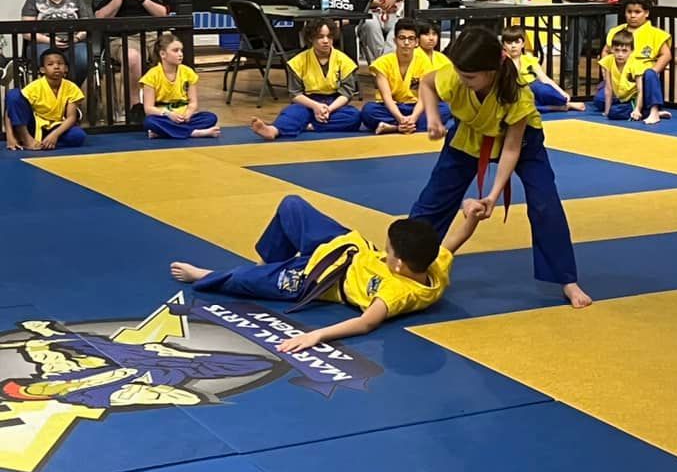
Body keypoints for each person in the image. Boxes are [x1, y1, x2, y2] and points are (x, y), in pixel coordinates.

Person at [408, 26, 593, 309]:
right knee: (434, 199)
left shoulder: (517, 94)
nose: (460, 79)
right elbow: (427, 84)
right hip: (469, 132)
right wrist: (433, 117)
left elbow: (511, 149)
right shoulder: (458, 74)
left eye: (469, 76)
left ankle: (567, 279)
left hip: (522, 143)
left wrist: (492, 196)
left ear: (491, 70)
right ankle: (409, 262)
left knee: (545, 204)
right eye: (459, 72)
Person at [170, 194, 484, 346]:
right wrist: (470, 213)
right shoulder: (433, 265)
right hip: (341, 244)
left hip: (318, 277)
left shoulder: (398, 291)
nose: (386, 253)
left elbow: (365, 323)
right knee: (292, 205)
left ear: (399, 264)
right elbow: (454, 240)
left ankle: (205, 274)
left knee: (241, 280)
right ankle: (270, 266)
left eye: (388, 251)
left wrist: (316, 336)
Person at [250, 18, 361, 139]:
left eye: (329, 37)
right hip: (307, 102)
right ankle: (273, 130)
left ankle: (308, 125)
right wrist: (316, 107)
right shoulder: (298, 61)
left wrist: (328, 109)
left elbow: (347, 93)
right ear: (310, 39)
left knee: (353, 117)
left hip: (334, 102)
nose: (325, 41)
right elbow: (295, 94)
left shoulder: (344, 60)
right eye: (320, 37)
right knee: (292, 112)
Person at [92, 0, 168, 119]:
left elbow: (162, 14)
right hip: (121, 38)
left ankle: (170, 102)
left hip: (150, 36)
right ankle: (134, 106)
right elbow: (99, 17)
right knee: (132, 57)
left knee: (172, 51)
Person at [360, 18, 453, 134]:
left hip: (416, 107)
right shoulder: (382, 63)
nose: (406, 43)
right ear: (395, 40)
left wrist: (413, 117)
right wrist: (400, 117)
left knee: (444, 109)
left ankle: (393, 127)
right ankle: (406, 126)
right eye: (402, 38)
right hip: (392, 107)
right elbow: (386, 97)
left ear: (416, 42)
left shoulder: (424, 63)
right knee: (368, 110)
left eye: (411, 39)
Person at [599, 0, 672, 123]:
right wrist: (606, 72)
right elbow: (606, 51)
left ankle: (652, 110)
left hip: (641, 78)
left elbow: (666, 55)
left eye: (637, 12)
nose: (633, 16)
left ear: (646, 13)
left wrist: (652, 73)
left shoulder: (656, 33)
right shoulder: (616, 31)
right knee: (599, 100)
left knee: (650, 75)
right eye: (629, 12)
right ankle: (639, 109)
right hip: (619, 79)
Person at [21, 0, 93, 85]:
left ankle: (70, 91)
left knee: (83, 58)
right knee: (50, 60)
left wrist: (76, 39)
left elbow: (86, 26)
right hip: (44, 42)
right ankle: (51, 95)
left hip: (74, 42)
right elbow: (26, 32)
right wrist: (51, 41)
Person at [140, 33, 220, 139]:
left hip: (184, 117)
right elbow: (148, 108)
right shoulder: (151, 75)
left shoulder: (188, 72)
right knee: (149, 122)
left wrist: (189, 113)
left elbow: (193, 102)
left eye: (181, 50)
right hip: (165, 117)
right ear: (163, 54)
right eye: (175, 50)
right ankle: (195, 133)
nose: (180, 54)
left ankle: (164, 132)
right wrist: (169, 114)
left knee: (211, 117)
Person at [4, 48, 85, 151]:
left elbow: (71, 117)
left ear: (66, 68)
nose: (56, 67)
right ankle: (26, 139)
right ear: (42, 70)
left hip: (55, 126)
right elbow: (11, 110)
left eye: (60, 64)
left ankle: (45, 143)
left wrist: (54, 135)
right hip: (33, 126)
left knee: (78, 136)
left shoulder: (71, 88)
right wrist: (10, 137)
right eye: (50, 64)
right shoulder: (36, 86)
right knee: (13, 94)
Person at [501, 24, 585, 113]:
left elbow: (544, 78)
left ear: (523, 44)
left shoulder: (529, 59)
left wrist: (562, 92)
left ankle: (564, 103)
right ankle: (561, 107)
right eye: (509, 43)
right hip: (517, 91)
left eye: (517, 42)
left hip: (533, 86)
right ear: (503, 45)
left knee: (542, 89)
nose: (513, 46)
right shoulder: (502, 61)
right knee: (522, 107)